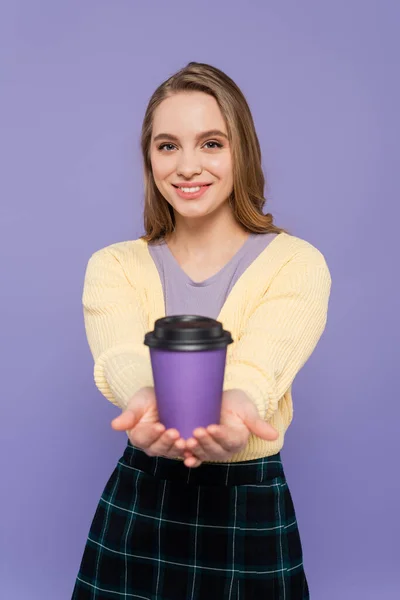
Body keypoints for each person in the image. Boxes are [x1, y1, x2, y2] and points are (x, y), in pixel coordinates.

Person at [72, 62, 331, 599]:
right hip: (142, 495)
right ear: (149, 158)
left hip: (248, 503)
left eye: (210, 143)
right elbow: (122, 354)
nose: (187, 166)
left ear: (242, 151)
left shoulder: (296, 264)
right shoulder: (113, 266)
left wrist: (239, 406)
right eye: (168, 146)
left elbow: (261, 364)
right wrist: (144, 398)